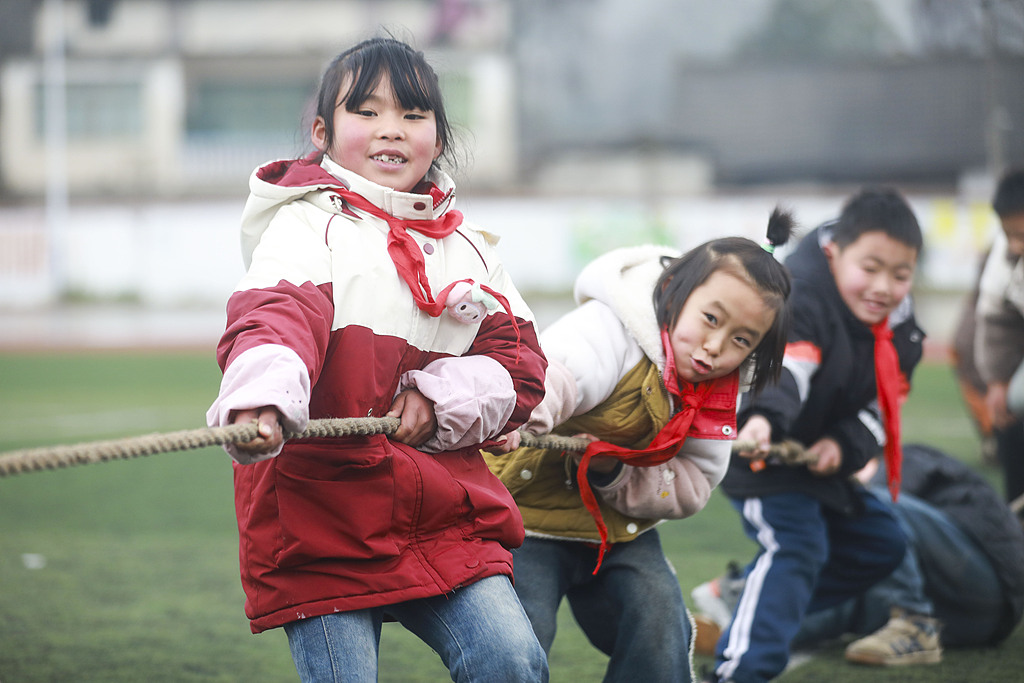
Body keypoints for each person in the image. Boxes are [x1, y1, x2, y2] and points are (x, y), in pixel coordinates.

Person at [205, 37, 549, 682]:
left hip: (444, 515)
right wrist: (261, 399)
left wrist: (439, 399)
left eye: (414, 115)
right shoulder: (306, 225)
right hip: (320, 520)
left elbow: (521, 363)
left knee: (512, 660)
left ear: (439, 137)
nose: (391, 129)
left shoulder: (471, 247)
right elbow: (275, 317)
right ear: (322, 131)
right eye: (365, 111)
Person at [485, 210, 796, 682]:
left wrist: (616, 473)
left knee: (662, 620)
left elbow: (692, 486)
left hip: (617, 527)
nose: (714, 346)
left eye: (740, 339)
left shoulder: (717, 394)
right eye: (710, 318)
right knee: (520, 638)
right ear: (674, 294)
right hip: (526, 517)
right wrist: (517, 416)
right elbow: (556, 378)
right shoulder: (613, 326)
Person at [704, 187, 927, 683]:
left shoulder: (904, 328)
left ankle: (754, 604)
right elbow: (790, 370)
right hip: (765, 456)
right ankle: (742, 670)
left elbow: (882, 408)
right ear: (835, 251)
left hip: (822, 463)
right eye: (870, 268)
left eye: (900, 274)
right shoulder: (800, 294)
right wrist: (763, 420)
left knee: (883, 543)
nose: (884, 287)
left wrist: (846, 445)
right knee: (797, 549)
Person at [792, 443, 1024, 661]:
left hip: (989, 586)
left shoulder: (907, 458)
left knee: (871, 507)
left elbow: (878, 516)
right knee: (806, 609)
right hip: (960, 621)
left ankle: (915, 626)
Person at [974, 167, 1024, 511]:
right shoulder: (1006, 256)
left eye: (1021, 233)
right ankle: (1015, 509)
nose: (1015, 244)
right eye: (1009, 234)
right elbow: (996, 319)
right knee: (1010, 405)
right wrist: (997, 381)